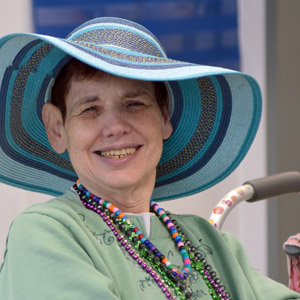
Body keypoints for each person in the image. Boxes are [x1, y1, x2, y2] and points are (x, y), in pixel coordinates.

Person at [0, 16, 298, 300]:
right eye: (90, 109)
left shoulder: (211, 242)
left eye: (134, 103)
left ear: (164, 117)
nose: (116, 127)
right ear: (57, 128)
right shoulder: (46, 231)